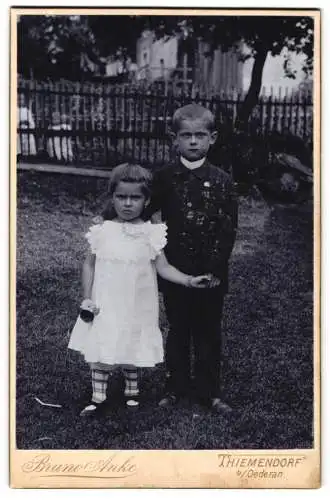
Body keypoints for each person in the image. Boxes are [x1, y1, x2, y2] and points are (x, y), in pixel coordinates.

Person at [68, 163, 209, 416]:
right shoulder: (103, 231)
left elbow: (164, 268)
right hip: (106, 300)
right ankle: (98, 397)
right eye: (121, 197)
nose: (128, 203)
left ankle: (132, 391)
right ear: (112, 197)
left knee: (132, 338)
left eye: (135, 197)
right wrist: (87, 297)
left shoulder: (151, 233)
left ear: (146, 200)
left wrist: (188, 280)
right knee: (103, 339)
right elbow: (89, 264)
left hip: (136, 302)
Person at [145, 103, 238, 413]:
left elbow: (228, 230)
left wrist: (214, 270)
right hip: (175, 270)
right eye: (186, 136)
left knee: (209, 331)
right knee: (178, 329)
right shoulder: (164, 177)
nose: (193, 142)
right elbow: (144, 214)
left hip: (212, 272)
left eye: (200, 135)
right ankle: (175, 387)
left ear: (212, 138)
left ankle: (210, 391)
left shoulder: (223, 180)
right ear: (175, 139)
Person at [17, 93, 37, 157]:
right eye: (19, 99)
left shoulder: (27, 110)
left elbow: (31, 122)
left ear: (24, 100)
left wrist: (29, 124)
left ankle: (29, 155)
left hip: (26, 128)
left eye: (22, 99)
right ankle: (19, 153)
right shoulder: (15, 110)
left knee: (30, 138)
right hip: (18, 129)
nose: (20, 101)